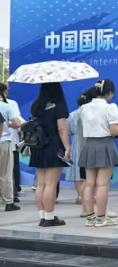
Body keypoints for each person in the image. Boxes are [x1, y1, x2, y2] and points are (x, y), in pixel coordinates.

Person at [79, 79, 118, 227]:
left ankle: (90, 218)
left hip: (89, 145)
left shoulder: (84, 108)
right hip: (105, 145)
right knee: (102, 185)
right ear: (110, 93)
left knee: (89, 184)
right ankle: (101, 218)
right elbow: (113, 131)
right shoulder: (110, 108)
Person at [28, 82, 70, 226]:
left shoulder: (36, 105)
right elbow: (62, 129)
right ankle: (49, 218)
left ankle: (43, 216)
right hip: (54, 145)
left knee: (41, 184)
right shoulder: (59, 105)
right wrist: (67, 147)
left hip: (38, 146)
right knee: (51, 184)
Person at [0, 83, 23, 211]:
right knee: (6, 173)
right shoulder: (6, 106)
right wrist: (7, 124)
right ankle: (8, 202)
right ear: (4, 92)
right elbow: (17, 123)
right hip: (4, 142)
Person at [66, 91, 89, 209]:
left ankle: (80, 195)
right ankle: (88, 196)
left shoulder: (71, 115)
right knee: (88, 170)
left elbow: (67, 131)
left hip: (76, 142)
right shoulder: (89, 113)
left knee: (76, 170)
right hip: (88, 141)